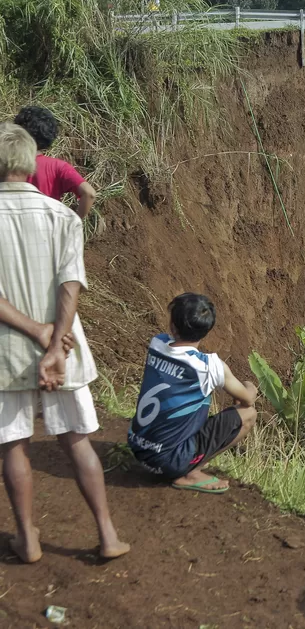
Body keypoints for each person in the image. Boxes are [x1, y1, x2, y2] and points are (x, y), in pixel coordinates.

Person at [0, 122, 129, 563]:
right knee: (77, 440)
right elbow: (70, 286)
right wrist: (54, 343)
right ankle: (108, 535)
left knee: (13, 444)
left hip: (6, 352)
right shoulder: (63, 216)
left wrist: (35, 332)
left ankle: (28, 540)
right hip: (65, 348)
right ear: (30, 161)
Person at [127, 293, 258, 493]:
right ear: (207, 330)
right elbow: (247, 399)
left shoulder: (157, 343)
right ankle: (189, 471)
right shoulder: (209, 366)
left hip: (138, 448)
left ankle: (188, 461)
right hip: (169, 462)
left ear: (173, 326)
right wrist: (251, 385)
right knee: (248, 414)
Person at [13, 106, 97, 220]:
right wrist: (75, 223)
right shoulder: (58, 167)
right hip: (48, 232)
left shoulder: (7, 164)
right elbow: (89, 193)